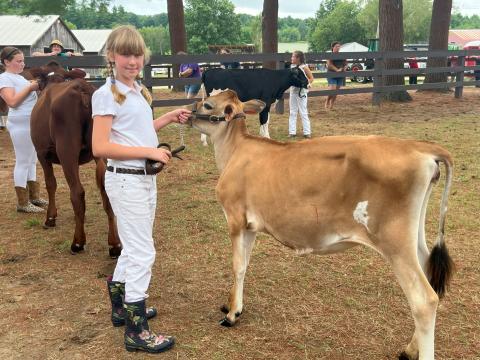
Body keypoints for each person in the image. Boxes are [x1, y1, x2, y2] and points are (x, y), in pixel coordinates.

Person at [91, 25, 190, 354]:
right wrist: (149, 152)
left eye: (137, 54)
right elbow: (100, 146)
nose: (133, 60)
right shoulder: (106, 94)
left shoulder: (135, 90)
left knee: (134, 248)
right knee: (143, 251)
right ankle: (137, 330)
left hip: (142, 178)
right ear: (111, 56)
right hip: (125, 178)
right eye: (126, 54)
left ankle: (122, 308)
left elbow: (135, 132)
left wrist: (166, 118)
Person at [0, 47, 47, 213]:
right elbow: (12, 102)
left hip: (31, 123)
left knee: (31, 160)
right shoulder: (4, 78)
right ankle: (22, 202)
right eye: (18, 61)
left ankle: (33, 196)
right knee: (23, 161)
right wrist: (30, 88)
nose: (22, 64)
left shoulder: (19, 78)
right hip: (21, 124)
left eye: (23, 61)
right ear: (6, 62)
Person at [288, 50, 314, 139]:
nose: (291, 58)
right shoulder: (291, 67)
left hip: (302, 92)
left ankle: (307, 132)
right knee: (292, 111)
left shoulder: (304, 67)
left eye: (293, 57)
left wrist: (307, 84)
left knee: (303, 111)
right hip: (293, 92)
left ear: (298, 58)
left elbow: (311, 78)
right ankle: (292, 132)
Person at [325, 41, 347, 110]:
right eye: (336, 46)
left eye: (339, 46)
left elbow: (346, 63)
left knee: (336, 91)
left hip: (340, 75)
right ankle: (327, 101)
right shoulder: (330, 55)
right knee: (332, 89)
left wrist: (344, 68)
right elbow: (329, 65)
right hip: (332, 74)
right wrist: (337, 70)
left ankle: (332, 105)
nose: (338, 47)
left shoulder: (342, 55)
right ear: (332, 47)